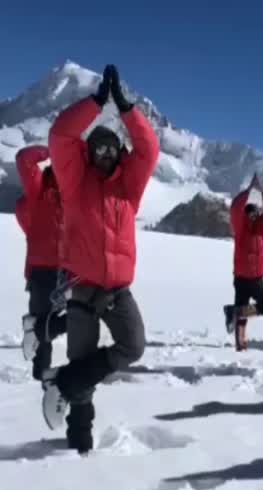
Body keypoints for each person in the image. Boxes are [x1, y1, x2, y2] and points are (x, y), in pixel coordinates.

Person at [41, 64, 160, 455]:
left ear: (120, 153)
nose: (105, 154)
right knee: (82, 361)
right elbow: (61, 134)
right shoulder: (75, 184)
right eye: (98, 148)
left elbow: (149, 150)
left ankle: (65, 383)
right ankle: (80, 444)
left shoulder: (129, 187)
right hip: (82, 287)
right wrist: (95, 103)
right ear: (88, 154)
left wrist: (126, 110)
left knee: (134, 346)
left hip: (118, 290)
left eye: (112, 148)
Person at [14, 146, 68, 381]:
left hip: (69, 269)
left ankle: (33, 326)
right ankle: (40, 375)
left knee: (77, 316)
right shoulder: (38, 190)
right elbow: (24, 159)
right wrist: (53, 150)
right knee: (45, 326)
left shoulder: (73, 192)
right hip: (42, 271)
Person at [224, 172, 263, 351]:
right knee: (242, 315)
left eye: (255, 213)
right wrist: (248, 191)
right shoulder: (240, 228)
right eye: (250, 213)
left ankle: (234, 312)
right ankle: (240, 344)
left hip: (256, 278)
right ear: (245, 215)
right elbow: (236, 208)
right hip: (241, 277)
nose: (253, 215)